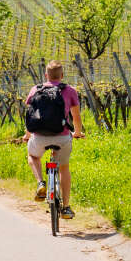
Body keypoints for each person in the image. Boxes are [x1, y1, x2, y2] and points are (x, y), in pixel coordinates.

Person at [23, 60, 84, 219]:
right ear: (62, 75)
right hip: (62, 137)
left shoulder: (35, 89)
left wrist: (27, 135)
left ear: (46, 75)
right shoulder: (70, 90)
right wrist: (77, 132)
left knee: (33, 156)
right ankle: (66, 207)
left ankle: (41, 183)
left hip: (39, 137)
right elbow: (76, 117)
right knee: (63, 168)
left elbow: (30, 115)